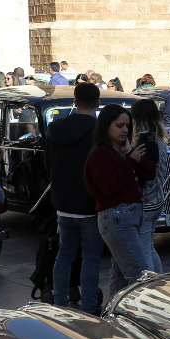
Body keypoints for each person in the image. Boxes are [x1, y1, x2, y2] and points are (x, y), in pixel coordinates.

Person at [85, 105, 157, 297]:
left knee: (119, 279)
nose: (125, 130)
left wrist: (132, 154)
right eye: (119, 126)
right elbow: (108, 186)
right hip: (117, 218)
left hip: (128, 219)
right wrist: (131, 160)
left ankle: (111, 318)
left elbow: (151, 172)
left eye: (127, 125)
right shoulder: (101, 154)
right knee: (140, 278)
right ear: (106, 127)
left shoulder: (124, 151)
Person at [46, 81, 104, 313]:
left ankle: (60, 302)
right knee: (90, 258)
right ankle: (89, 305)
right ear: (98, 104)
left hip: (63, 202)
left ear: (75, 102)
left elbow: (47, 164)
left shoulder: (56, 128)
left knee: (64, 254)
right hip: (90, 203)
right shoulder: (100, 131)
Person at [129, 98, 169, 273]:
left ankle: (151, 285)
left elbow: (143, 174)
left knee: (144, 249)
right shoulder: (160, 139)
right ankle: (159, 281)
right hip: (157, 199)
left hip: (146, 201)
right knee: (149, 247)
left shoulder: (145, 142)